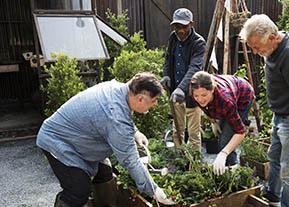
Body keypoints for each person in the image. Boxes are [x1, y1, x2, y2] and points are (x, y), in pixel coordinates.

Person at [37, 73, 175, 207]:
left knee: (104, 173)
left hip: (79, 137)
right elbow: (130, 161)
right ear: (140, 99)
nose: (155, 104)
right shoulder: (116, 118)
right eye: (153, 101)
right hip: (58, 140)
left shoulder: (119, 89)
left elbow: (121, 113)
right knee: (78, 191)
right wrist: (155, 191)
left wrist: (135, 132)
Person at [240, 14, 289, 207]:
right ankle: (273, 197)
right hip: (280, 116)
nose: (256, 52)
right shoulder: (271, 47)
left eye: (257, 47)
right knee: (273, 158)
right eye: (252, 47)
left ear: (273, 37)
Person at [190, 71, 254, 175]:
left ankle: (233, 172)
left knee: (225, 141)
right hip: (230, 93)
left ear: (212, 90)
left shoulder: (225, 101)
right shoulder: (195, 92)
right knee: (223, 136)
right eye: (196, 96)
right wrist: (214, 121)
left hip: (244, 95)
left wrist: (223, 153)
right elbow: (206, 107)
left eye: (204, 95)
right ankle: (227, 171)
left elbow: (241, 132)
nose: (200, 99)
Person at [160, 8, 206, 152]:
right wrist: (166, 74)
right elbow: (168, 59)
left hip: (193, 94)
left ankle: (194, 165)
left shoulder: (198, 42)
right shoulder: (173, 38)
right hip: (175, 93)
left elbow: (194, 68)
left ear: (191, 24)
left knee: (193, 133)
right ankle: (180, 161)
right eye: (177, 26)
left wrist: (182, 88)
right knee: (177, 130)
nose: (180, 30)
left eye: (184, 26)